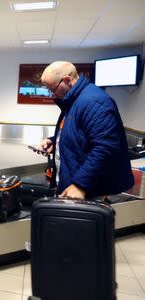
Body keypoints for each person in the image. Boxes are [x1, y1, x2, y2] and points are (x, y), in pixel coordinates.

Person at [38, 61, 134, 199]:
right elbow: (79, 133)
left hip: (90, 190)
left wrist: (80, 185)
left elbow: (105, 147)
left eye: (53, 89)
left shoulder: (95, 101)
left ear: (67, 80)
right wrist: (55, 142)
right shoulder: (74, 100)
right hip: (75, 184)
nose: (52, 94)